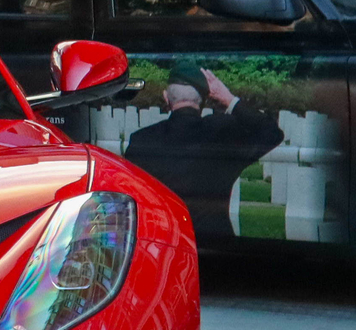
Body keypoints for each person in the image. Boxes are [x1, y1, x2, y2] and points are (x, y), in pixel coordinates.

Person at [120, 67, 283, 243]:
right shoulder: (223, 133)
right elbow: (272, 133)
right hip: (216, 243)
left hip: (164, 244)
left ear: (166, 97)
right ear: (205, 100)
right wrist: (229, 99)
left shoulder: (142, 140)